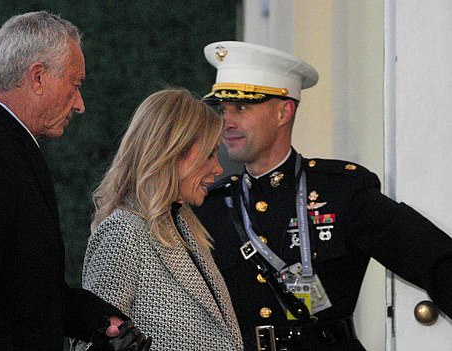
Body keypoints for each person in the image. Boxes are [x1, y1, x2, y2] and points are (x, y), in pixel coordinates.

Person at [0, 11, 150, 351]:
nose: (80, 104)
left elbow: (26, 289)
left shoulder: (0, 146)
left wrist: (98, 319)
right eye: (75, 84)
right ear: (37, 76)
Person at [193, 41, 452, 351]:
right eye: (223, 109)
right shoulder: (210, 205)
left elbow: (433, 260)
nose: (227, 122)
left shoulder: (340, 192)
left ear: (283, 111)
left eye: (242, 107)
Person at [77, 88, 244, 350]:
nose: (218, 168)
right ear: (173, 152)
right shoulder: (123, 232)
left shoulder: (185, 226)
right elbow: (90, 343)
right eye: (210, 154)